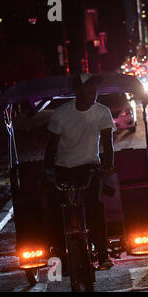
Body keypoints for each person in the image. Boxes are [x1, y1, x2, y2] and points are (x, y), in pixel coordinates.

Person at [43, 73, 116, 270]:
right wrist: (48, 172)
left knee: (94, 207)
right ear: (77, 91)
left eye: (95, 88)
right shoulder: (61, 114)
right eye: (89, 88)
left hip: (89, 166)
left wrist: (108, 165)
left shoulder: (102, 112)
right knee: (57, 212)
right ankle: (61, 257)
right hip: (63, 168)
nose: (94, 92)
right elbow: (51, 146)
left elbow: (108, 143)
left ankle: (102, 254)